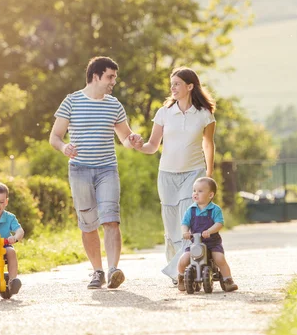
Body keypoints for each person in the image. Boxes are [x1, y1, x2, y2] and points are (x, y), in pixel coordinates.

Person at [49, 56, 143, 289]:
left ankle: (113, 270)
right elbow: (55, 137)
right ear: (95, 76)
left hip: (106, 169)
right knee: (88, 223)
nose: (113, 82)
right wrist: (64, 148)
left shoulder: (114, 105)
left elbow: (125, 139)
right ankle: (97, 271)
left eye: (114, 78)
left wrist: (134, 140)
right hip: (79, 169)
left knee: (111, 219)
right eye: (110, 77)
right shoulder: (71, 102)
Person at [138, 67, 216, 284]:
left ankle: (188, 265)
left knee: (186, 220)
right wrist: (139, 146)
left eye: (177, 84)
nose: (172, 88)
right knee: (170, 223)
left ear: (190, 86)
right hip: (167, 175)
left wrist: (208, 174)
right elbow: (153, 145)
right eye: (171, 84)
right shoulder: (164, 113)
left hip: (194, 173)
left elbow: (208, 145)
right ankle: (177, 272)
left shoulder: (204, 114)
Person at [177, 177, 238, 292]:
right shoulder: (191, 210)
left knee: (219, 259)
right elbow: (184, 223)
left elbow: (219, 223)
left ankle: (228, 280)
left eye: (200, 191)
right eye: (194, 190)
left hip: (212, 243)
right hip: (195, 243)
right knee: (184, 259)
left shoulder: (215, 209)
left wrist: (209, 231)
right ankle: (180, 277)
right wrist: (185, 232)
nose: (196, 193)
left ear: (210, 195)